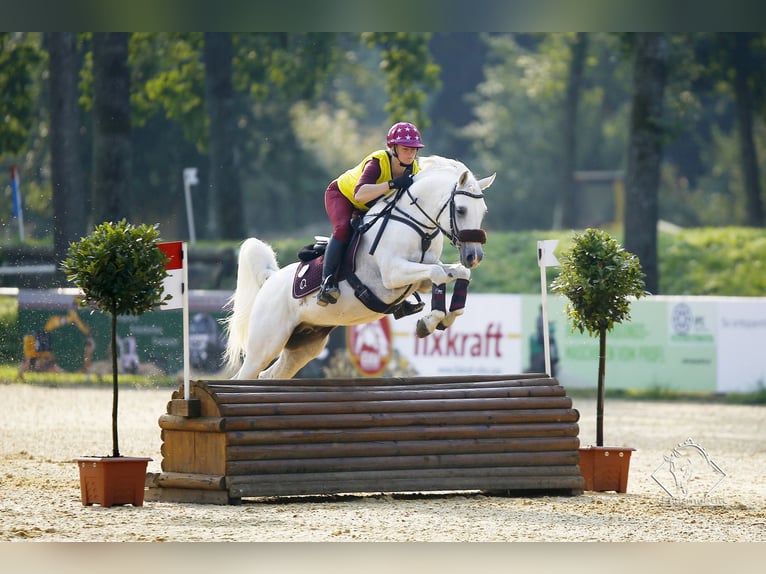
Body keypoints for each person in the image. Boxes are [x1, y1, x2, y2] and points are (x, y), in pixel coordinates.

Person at [316, 121, 425, 306]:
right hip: (342, 195)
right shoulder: (378, 161)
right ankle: (327, 283)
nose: (411, 153)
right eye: (406, 148)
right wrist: (392, 184)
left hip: (370, 205)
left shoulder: (414, 169)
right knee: (343, 229)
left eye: (414, 149)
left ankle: (396, 293)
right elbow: (359, 195)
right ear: (393, 148)